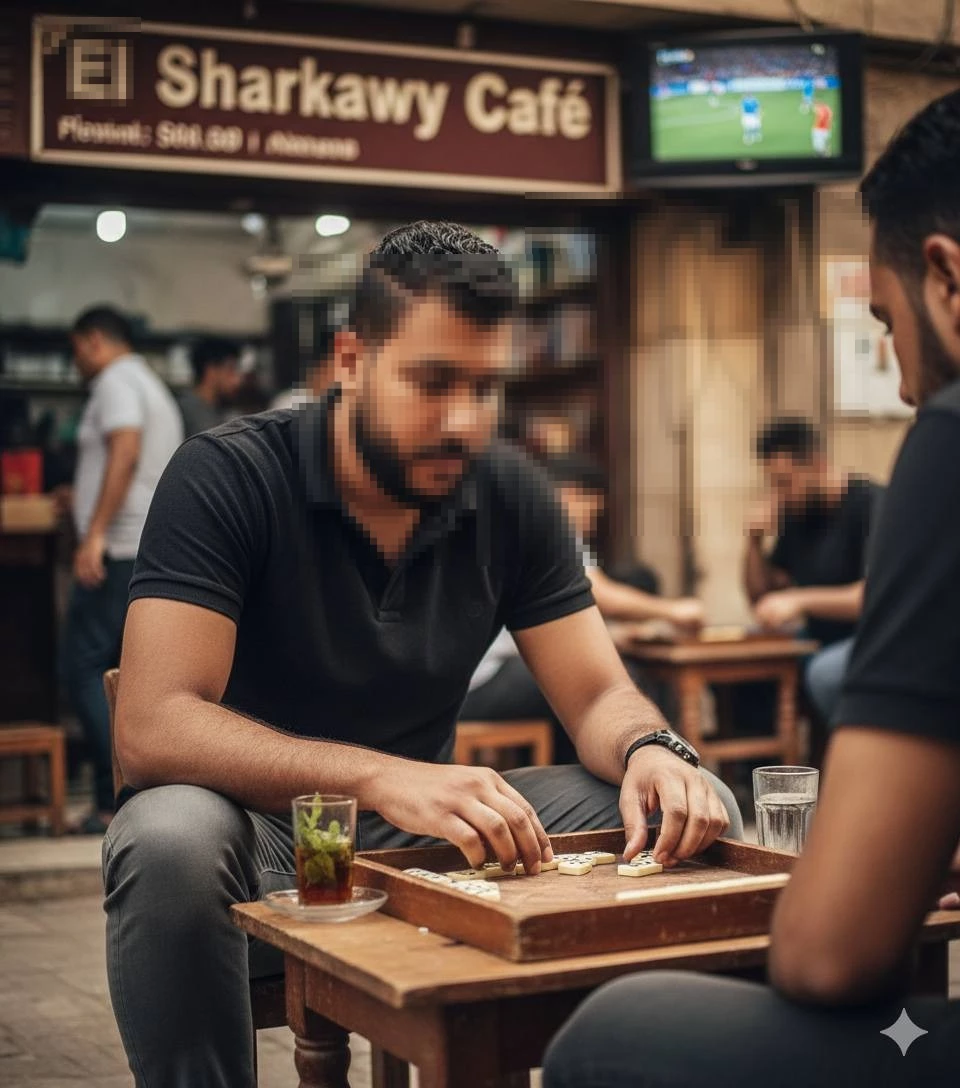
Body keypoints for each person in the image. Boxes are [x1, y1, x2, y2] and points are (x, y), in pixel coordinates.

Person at [104, 222, 742, 1088]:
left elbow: (596, 696)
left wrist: (651, 751)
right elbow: (151, 724)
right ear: (352, 360)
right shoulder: (229, 476)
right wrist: (375, 776)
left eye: (485, 387)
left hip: (425, 827)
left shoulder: (510, 492)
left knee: (690, 815)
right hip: (260, 834)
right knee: (167, 837)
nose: (463, 421)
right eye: (432, 382)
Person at [543, 86, 960, 1088]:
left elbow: (829, 953)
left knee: (617, 1028)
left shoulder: (941, 446)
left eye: (888, 327)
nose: (903, 382)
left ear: (945, 280)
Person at [462, 455, 704, 761]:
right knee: (614, 684)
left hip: (477, 683)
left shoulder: (508, 525)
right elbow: (599, 591)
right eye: (592, 506)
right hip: (479, 685)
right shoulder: (545, 526)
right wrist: (673, 611)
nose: (594, 518)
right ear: (568, 495)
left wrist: (614, 636)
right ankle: (641, 768)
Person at [61, 306, 183, 834]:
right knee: (120, 671)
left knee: (81, 666)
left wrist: (94, 533)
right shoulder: (148, 381)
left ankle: (118, 797)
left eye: (76, 351)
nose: (76, 363)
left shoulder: (114, 381)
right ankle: (126, 794)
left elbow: (126, 449)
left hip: (120, 546)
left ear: (91, 341)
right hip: (142, 542)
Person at [743, 416, 882, 754]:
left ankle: (853, 764)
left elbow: (874, 595)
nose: (779, 494)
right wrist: (753, 542)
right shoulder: (797, 512)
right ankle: (757, 777)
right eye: (772, 483)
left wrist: (800, 600)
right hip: (815, 639)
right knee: (748, 661)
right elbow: (762, 595)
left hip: (872, 639)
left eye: (784, 482)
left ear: (818, 465)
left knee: (824, 673)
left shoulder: (872, 504)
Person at [177, 337, 242, 437]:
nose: (236, 380)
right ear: (211, 371)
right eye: (231, 369)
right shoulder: (186, 412)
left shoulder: (220, 410)